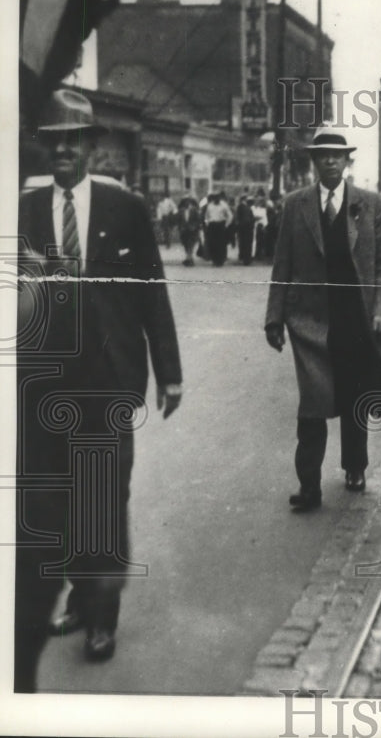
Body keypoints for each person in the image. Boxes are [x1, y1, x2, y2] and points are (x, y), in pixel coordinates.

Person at [17, 89, 182, 680]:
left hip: (111, 376)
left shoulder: (124, 207)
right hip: (47, 381)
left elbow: (151, 291)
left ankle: (103, 613)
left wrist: (171, 372)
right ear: (47, 146)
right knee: (61, 495)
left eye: (74, 139)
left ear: (90, 146)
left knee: (105, 492)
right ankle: (80, 597)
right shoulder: (24, 211)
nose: (63, 148)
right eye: (54, 139)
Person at [265, 128, 381, 509]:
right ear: (313, 161)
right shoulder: (295, 204)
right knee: (312, 405)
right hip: (310, 321)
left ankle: (355, 467)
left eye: (336, 155)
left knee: (354, 396)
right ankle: (308, 485)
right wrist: (274, 318)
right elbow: (282, 263)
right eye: (322, 155)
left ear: (347, 161)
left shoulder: (372, 204)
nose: (329, 160)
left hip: (357, 319)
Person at [203, 191, 232, 266]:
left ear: (219, 197)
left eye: (217, 197)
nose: (216, 199)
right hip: (212, 225)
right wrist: (207, 223)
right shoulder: (210, 205)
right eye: (215, 197)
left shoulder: (224, 205)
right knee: (213, 244)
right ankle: (214, 260)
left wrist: (226, 225)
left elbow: (230, 216)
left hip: (220, 225)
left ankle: (220, 260)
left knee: (221, 244)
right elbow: (206, 216)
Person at [177, 195, 202, 266]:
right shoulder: (181, 211)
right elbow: (178, 220)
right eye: (185, 202)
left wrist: (195, 226)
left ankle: (189, 258)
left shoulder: (194, 210)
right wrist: (180, 227)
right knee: (185, 244)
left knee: (191, 244)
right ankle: (189, 258)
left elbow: (198, 220)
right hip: (184, 230)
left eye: (188, 202)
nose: (187, 203)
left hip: (192, 230)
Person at [235, 194, 256, 265]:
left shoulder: (243, 207)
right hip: (246, 227)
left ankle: (246, 258)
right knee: (246, 243)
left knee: (245, 243)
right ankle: (246, 259)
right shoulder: (243, 207)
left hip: (245, 227)